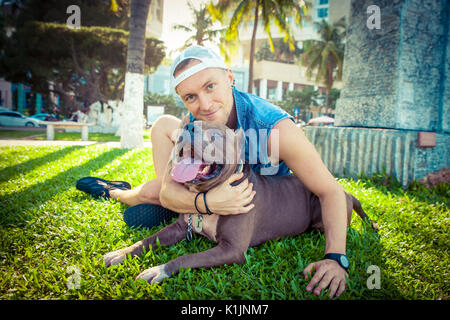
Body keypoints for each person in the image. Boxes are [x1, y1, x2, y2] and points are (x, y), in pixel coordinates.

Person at [87, 45, 350, 298]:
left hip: (263, 195)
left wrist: (336, 258)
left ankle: (183, 211)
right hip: (208, 184)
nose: (205, 104)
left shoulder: (274, 127)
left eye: (210, 86)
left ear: (230, 78)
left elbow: (330, 191)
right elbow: (169, 191)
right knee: (158, 191)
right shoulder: (194, 120)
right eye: (190, 97)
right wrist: (208, 203)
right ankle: (117, 192)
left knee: (168, 198)